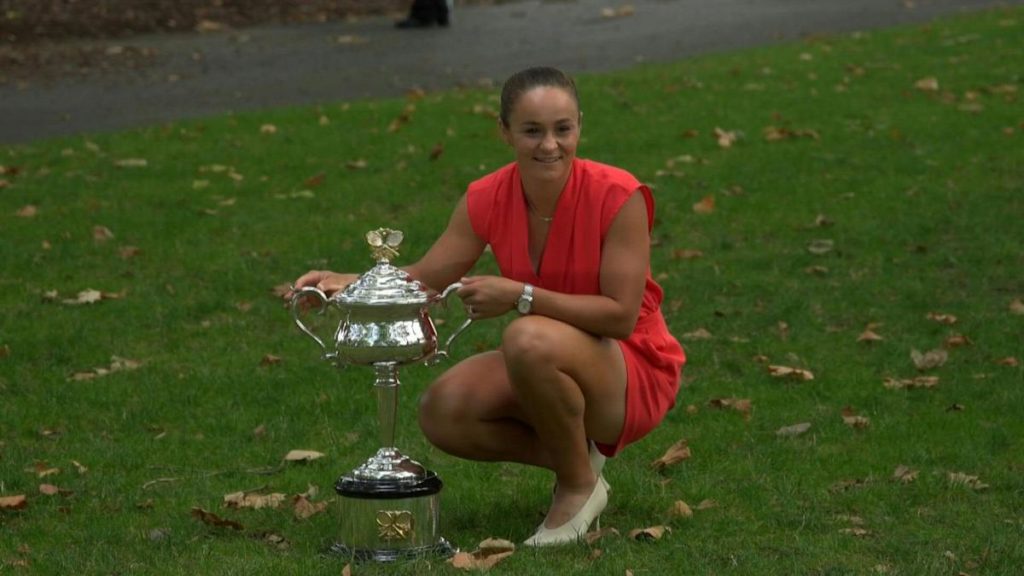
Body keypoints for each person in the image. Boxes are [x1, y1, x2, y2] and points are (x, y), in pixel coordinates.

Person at [287, 66, 685, 546]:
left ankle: (577, 489)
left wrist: (520, 295)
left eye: (564, 129)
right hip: (549, 356)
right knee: (443, 410)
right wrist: (346, 284)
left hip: (631, 368)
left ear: (580, 124)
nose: (549, 145)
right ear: (505, 132)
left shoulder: (619, 195)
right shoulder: (486, 196)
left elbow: (621, 316)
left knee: (525, 335)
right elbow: (426, 280)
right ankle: (579, 460)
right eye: (532, 131)